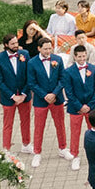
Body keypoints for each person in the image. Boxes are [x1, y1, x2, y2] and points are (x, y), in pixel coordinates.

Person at [28, 36, 68, 166]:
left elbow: (62, 78)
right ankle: (37, 153)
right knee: (39, 127)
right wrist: (45, 95)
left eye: (50, 48)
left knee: (60, 124)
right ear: (39, 49)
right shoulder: (32, 63)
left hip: (56, 99)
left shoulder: (58, 59)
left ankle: (62, 148)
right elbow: (31, 83)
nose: (48, 51)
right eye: (45, 49)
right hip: (41, 100)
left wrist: (54, 93)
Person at [62, 44, 95, 169]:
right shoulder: (68, 72)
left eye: (84, 56)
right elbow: (69, 92)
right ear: (74, 56)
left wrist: (89, 105)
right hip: (75, 108)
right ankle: (75, 156)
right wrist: (79, 106)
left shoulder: (93, 69)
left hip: (91, 107)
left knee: (94, 132)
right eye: (79, 57)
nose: (82, 59)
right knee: (75, 133)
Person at [0, 32, 32, 152]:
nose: (16, 45)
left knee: (25, 121)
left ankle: (26, 144)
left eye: (16, 42)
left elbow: (30, 76)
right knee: (8, 124)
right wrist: (13, 96)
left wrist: (23, 94)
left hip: (24, 96)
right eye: (13, 43)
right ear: (6, 45)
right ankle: (6, 149)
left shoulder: (24, 54)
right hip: (8, 97)